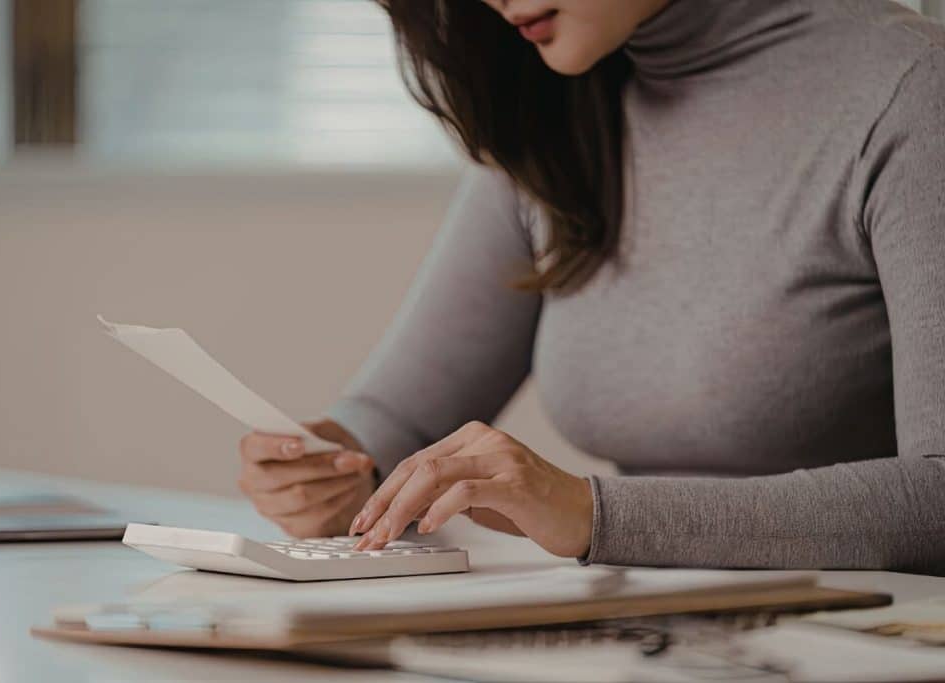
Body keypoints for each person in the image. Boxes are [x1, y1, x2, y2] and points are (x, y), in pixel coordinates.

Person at [238, 0, 945, 573]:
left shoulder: (911, 90)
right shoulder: (553, 107)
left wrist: (591, 513)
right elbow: (403, 419)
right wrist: (335, 468)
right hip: (647, 626)